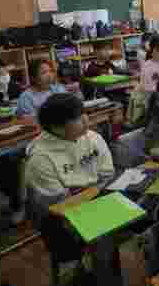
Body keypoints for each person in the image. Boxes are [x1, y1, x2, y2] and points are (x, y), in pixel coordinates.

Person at [25, 94, 115, 262]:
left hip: (96, 200)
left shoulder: (92, 138)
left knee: (134, 215)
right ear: (57, 128)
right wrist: (95, 190)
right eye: (77, 118)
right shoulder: (40, 158)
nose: (86, 120)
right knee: (104, 236)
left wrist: (95, 192)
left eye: (84, 113)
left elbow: (108, 175)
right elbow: (60, 205)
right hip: (60, 218)